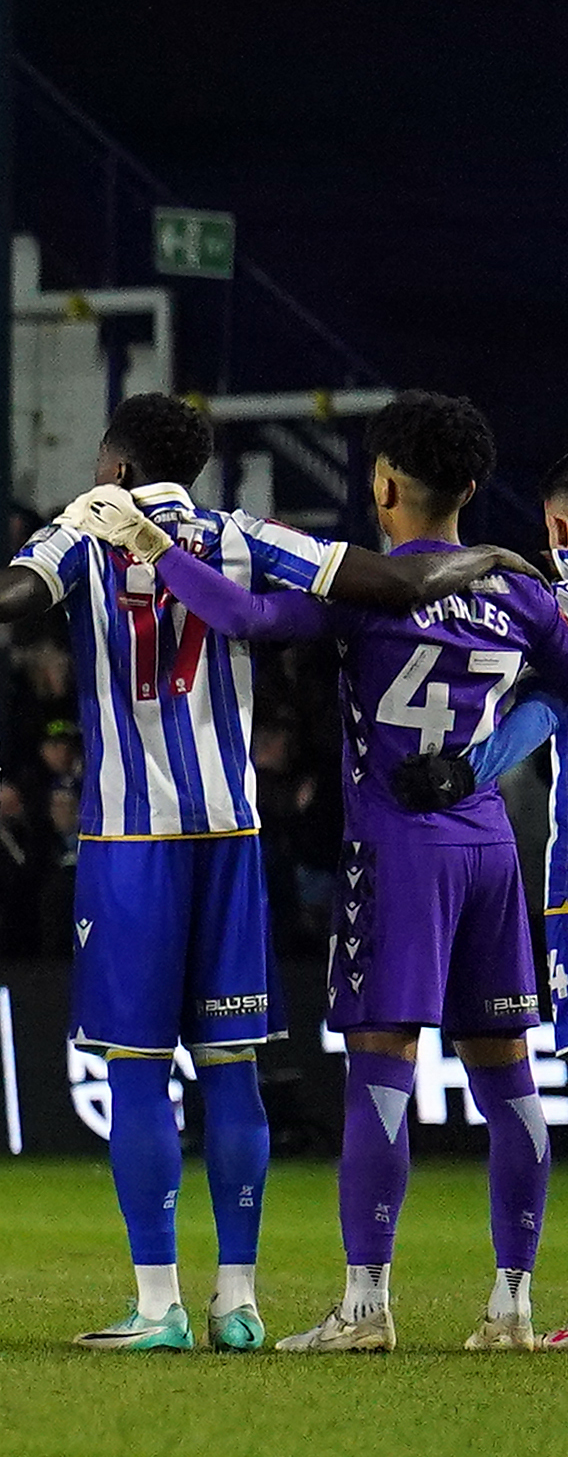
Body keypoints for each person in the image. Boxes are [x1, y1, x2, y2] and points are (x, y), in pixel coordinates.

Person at [0, 391, 513, 1350]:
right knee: (233, 1068)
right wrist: (493, 555)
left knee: (141, 1071)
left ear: (113, 466)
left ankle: (158, 1306)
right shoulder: (242, 535)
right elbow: (395, 584)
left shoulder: (84, 533)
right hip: (232, 835)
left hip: (129, 842)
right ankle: (239, 1301)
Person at [96, 396, 561, 1353]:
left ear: (384, 482)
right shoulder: (520, 592)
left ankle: (365, 1306)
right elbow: (561, 686)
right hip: (489, 851)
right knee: (507, 1076)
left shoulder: (371, 585)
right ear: (471, 489)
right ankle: (513, 1306)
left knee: (380, 1067)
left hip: (398, 850)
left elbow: (240, 611)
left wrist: (149, 539)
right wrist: (483, 763)